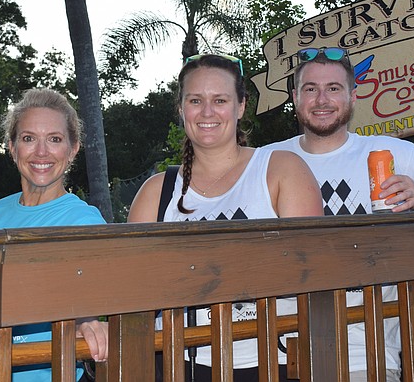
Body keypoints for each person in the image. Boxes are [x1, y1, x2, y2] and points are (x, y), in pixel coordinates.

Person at [262, 46, 414, 382]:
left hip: (365, 354)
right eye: (311, 89)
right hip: (270, 354)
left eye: (334, 89)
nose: (321, 99)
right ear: (295, 97)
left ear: (353, 97)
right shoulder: (263, 161)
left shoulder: (387, 151)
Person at [128, 53, 324, 382]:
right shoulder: (156, 192)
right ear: (181, 108)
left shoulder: (279, 170)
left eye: (220, 100)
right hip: (176, 365)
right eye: (195, 100)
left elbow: (311, 270)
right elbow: (133, 290)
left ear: (241, 106)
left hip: (268, 364)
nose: (207, 112)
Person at [0, 88, 108, 381]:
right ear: (12, 146)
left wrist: (87, 323)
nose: (41, 152)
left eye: (54, 139)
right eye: (29, 139)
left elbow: (85, 309)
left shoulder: (85, 224)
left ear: (73, 148)